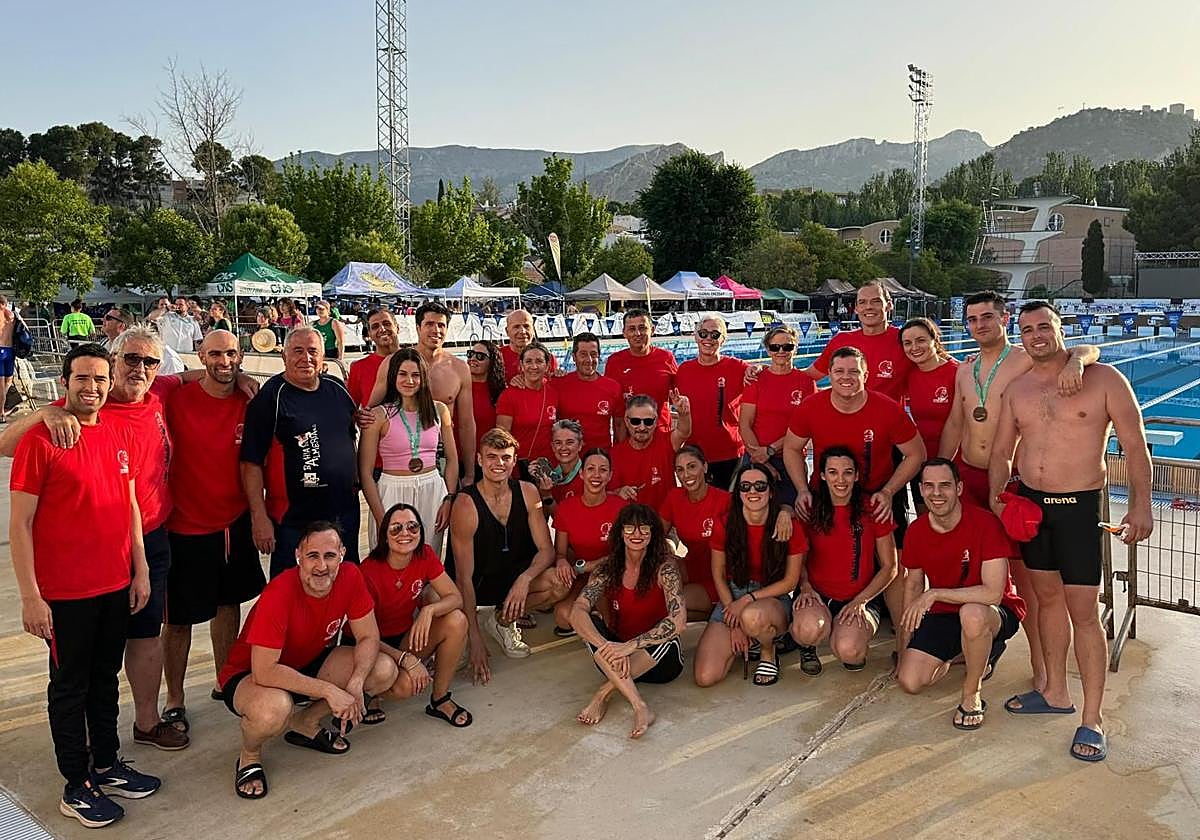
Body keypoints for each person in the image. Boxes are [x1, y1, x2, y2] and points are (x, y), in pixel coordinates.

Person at [989, 302, 1153, 763]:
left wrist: (1141, 505)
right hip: (1033, 509)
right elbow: (1002, 449)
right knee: (1045, 603)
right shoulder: (1018, 389)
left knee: (1083, 612)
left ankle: (1093, 718)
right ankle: (1055, 692)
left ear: (1061, 330)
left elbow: (1136, 446)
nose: (1036, 335)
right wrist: (1000, 496)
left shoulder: (1103, 380)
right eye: (1027, 329)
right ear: (1018, 335)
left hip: (1079, 508)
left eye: (1045, 327)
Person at [9, 344, 159, 828]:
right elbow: (20, 526)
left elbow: (130, 506)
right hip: (65, 595)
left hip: (115, 585)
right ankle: (76, 784)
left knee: (104, 680)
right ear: (65, 382)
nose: (91, 388)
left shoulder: (116, 431)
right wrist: (31, 595)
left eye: (99, 378)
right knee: (69, 689)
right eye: (81, 379)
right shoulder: (42, 439)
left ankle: (106, 763)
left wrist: (140, 569)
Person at [938, 290, 1100, 690]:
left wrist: (1078, 360)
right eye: (972, 319)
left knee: (1027, 576)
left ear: (1004, 319)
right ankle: (979, 643)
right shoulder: (965, 368)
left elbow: (1083, 348)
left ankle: (1042, 666)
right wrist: (938, 471)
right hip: (969, 477)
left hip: (1010, 480)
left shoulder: (1026, 357)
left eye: (987, 317)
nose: (980, 325)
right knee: (973, 566)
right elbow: (957, 423)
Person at [216, 522, 397, 800]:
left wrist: (356, 683)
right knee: (274, 709)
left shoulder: (350, 575)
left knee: (383, 669)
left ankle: (305, 722)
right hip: (250, 673)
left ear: (343, 554)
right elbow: (264, 671)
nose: (321, 566)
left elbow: (369, 637)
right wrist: (329, 691)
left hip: (309, 660)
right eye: (313, 556)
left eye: (330, 556)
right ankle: (249, 756)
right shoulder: (279, 592)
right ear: (298, 555)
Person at [783, 346, 924, 660]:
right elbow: (792, 449)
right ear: (829, 375)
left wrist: (888, 492)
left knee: (895, 566)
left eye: (853, 372)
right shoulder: (812, 406)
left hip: (880, 494)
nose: (846, 378)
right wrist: (801, 490)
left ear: (866, 375)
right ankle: (824, 614)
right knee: (829, 554)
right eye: (839, 372)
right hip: (828, 494)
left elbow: (917, 454)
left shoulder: (887, 409)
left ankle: (904, 642)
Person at [160, 331, 265, 731]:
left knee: (227, 606)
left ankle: (226, 681)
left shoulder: (249, 399)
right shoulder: (175, 397)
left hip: (233, 523)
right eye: (216, 353)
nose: (225, 361)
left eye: (232, 353)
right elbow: (157, 380)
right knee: (180, 620)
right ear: (201, 356)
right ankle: (175, 698)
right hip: (184, 525)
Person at [897, 458, 1027, 732]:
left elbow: (992, 593)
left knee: (972, 614)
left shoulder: (986, 523)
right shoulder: (916, 531)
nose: (937, 493)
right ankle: (972, 652)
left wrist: (935, 594)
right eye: (929, 486)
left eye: (945, 485)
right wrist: (904, 640)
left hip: (994, 611)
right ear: (919, 490)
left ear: (958, 488)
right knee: (910, 681)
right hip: (946, 612)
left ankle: (972, 693)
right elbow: (913, 584)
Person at [241, 327, 361, 578]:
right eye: (297, 351)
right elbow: (250, 463)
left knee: (345, 587)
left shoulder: (337, 388)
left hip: (343, 514)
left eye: (312, 351)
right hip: (295, 521)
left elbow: (351, 432)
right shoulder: (270, 398)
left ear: (322, 358)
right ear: (284, 357)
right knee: (290, 594)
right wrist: (259, 518)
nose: (305, 358)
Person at [449, 428, 565, 685]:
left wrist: (525, 580)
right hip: (477, 583)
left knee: (559, 582)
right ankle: (471, 627)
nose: (498, 464)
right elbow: (463, 578)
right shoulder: (466, 505)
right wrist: (475, 640)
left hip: (512, 579)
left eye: (505, 457)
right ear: (479, 460)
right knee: (438, 600)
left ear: (514, 461)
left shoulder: (527, 492)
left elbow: (547, 550)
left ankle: (502, 621)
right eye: (491, 457)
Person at [571, 503, 687, 739]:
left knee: (668, 634)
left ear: (653, 533)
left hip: (658, 662)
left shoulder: (665, 569)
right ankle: (639, 705)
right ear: (620, 532)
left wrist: (630, 646)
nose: (637, 534)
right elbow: (577, 611)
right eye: (630, 528)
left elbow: (679, 621)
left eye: (644, 528)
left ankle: (602, 695)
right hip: (614, 656)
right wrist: (609, 647)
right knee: (588, 623)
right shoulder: (607, 568)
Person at [358, 504, 472, 728]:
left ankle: (440, 699)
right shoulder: (368, 572)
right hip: (372, 645)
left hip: (404, 637)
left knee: (457, 620)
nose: (405, 534)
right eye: (396, 529)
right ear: (384, 536)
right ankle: (370, 692)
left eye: (412, 527)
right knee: (405, 687)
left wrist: (429, 611)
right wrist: (405, 659)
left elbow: (455, 597)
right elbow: (362, 635)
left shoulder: (425, 554)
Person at [694, 465, 806, 688]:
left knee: (752, 616)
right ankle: (750, 634)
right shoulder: (725, 523)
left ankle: (767, 649)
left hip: (771, 597)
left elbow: (790, 582)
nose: (752, 491)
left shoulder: (787, 524)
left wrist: (747, 601)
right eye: (745, 486)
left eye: (760, 486)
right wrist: (733, 622)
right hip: (732, 595)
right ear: (738, 493)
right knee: (705, 676)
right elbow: (718, 573)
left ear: (771, 492)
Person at [790, 447, 897, 673]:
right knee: (808, 629)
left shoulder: (873, 507)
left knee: (850, 651)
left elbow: (890, 567)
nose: (840, 479)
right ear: (821, 475)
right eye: (832, 472)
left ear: (856, 476)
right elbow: (798, 557)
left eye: (847, 472)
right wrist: (805, 585)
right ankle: (807, 643)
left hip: (861, 596)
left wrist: (861, 601)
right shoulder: (810, 508)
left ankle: (845, 632)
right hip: (818, 593)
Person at [359, 348, 458, 553]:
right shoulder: (378, 415)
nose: (409, 381)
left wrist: (449, 498)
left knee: (428, 558)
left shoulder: (439, 410)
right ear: (393, 376)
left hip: (432, 490)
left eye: (415, 375)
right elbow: (366, 473)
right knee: (391, 561)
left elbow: (452, 459)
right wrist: (381, 517)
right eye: (403, 374)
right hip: (392, 491)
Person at [371, 302, 476, 488]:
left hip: (442, 458)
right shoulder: (393, 363)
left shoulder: (459, 368)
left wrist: (469, 472)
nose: (436, 330)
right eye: (429, 324)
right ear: (418, 327)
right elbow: (371, 414)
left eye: (441, 325)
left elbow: (466, 424)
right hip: (399, 462)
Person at [550, 448, 626, 635]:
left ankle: (609, 631)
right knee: (562, 616)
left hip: (613, 574)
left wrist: (588, 566)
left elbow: (625, 554)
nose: (596, 475)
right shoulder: (567, 508)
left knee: (598, 577)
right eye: (591, 469)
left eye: (603, 470)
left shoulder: (621, 508)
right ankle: (593, 617)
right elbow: (560, 552)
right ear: (582, 474)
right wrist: (561, 561)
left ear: (610, 476)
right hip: (581, 576)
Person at [738, 325, 815, 506]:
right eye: (775, 347)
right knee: (754, 515)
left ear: (795, 348)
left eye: (787, 347)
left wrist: (771, 449)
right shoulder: (756, 379)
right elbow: (745, 424)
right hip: (755, 457)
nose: (781, 351)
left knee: (792, 513)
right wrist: (761, 459)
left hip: (791, 460)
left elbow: (806, 426)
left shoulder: (806, 382)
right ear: (767, 349)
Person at [801, 280, 912, 403]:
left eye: (876, 301)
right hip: (845, 419)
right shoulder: (841, 341)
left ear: (889, 305)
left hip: (886, 419)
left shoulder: (905, 341)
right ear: (856, 309)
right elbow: (807, 378)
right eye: (862, 302)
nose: (868, 307)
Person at [675, 314, 748, 489]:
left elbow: (765, 377)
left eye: (715, 335)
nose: (708, 339)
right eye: (703, 333)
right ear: (695, 336)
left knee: (725, 506)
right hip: (694, 453)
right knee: (695, 501)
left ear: (723, 339)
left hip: (729, 452)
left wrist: (758, 368)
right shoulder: (684, 370)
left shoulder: (737, 368)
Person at [658, 445, 731, 619]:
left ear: (705, 467)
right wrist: (666, 551)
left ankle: (716, 611)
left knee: (669, 604)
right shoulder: (674, 498)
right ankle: (709, 613)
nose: (686, 475)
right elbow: (655, 535)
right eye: (680, 470)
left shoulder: (726, 501)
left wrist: (785, 511)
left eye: (692, 466)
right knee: (658, 582)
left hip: (722, 575)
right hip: (692, 566)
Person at [899, 318, 958, 513]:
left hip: (955, 460)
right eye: (907, 343)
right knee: (926, 519)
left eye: (921, 340)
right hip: (922, 460)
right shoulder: (910, 374)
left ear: (935, 340)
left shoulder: (957, 372)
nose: (914, 347)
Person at [610, 391, 691, 510]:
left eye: (648, 422)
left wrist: (684, 413)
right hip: (632, 523)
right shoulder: (614, 454)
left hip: (665, 520)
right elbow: (606, 493)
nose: (642, 427)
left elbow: (684, 432)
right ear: (626, 421)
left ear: (656, 420)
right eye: (635, 421)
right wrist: (619, 492)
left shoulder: (666, 442)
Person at [605, 308, 677, 437]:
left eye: (642, 328)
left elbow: (678, 397)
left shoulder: (666, 358)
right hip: (628, 439)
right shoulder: (614, 362)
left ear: (652, 330)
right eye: (632, 329)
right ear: (624, 333)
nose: (637, 333)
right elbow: (613, 408)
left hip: (661, 437)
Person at [555, 332, 623, 450]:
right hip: (568, 460)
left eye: (593, 354)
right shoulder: (558, 385)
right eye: (583, 354)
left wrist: (619, 455)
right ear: (574, 357)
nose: (589, 360)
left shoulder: (613, 387)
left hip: (600, 459)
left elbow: (619, 426)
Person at [495, 342, 559, 465]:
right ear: (521, 366)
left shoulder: (554, 391)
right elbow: (502, 436)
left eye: (539, 361)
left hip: (549, 465)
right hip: (520, 466)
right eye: (528, 361)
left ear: (547, 366)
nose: (534, 366)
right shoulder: (509, 396)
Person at [348, 308, 401, 410]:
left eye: (387, 324)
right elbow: (351, 410)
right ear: (370, 334)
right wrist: (361, 417)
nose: (382, 329)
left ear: (397, 328)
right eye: (375, 326)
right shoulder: (358, 368)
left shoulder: (415, 361)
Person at [466, 339, 505, 478]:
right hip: (458, 459)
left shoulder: (499, 393)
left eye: (480, 356)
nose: (473, 359)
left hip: (486, 461)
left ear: (492, 363)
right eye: (470, 354)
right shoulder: (456, 387)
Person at [500, 308, 558, 381]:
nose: (522, 331)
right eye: (516, 327)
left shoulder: (548, 359)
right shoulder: (497, 357)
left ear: (533, 330)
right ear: (507, 331)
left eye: (526, 326)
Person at [0, 294, 14, 419]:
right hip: (9, 350)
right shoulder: (12, 315)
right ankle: (2, 410)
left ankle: (1, 412)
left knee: (1, 383)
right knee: (8, 381)